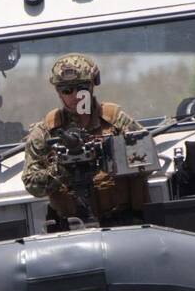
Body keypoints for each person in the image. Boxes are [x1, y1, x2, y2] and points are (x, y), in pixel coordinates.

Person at [22, 54, 144, 225]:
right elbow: (32, 184)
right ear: (58, 92)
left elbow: (147, 160)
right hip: (72, 226)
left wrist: (110, 157)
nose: (75, 96)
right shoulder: (46, 131)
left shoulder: (115, 120)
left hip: (122, 221)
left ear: (93, 85)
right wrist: (62, 168)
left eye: (81, 88)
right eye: (67, 90)